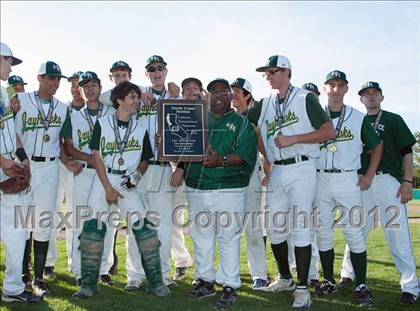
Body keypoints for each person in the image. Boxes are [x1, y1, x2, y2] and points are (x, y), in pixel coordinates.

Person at [249, 55, 336, 310]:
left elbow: (329, 131)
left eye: (272, 71)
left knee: (299, 227)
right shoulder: (265, 103)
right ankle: (285, 277)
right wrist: (266, 156)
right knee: (274, 227)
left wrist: (294, 138)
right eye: (266, 72)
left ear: (286, 72)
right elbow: (249, 125)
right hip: (277, 170)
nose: (268, 76)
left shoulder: (304, 98)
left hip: (302, 166)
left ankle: (302, 288)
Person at [72, 81, 170, 299]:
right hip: (104, 178)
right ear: (119, 100)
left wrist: (136, 176)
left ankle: (155, 282)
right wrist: (107, 188)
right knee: (92, 229)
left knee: (145, 231)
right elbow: (96, 156)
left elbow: (145, 159)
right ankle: (88, 284)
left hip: (127, 180)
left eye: (137, 96)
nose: (136, 101)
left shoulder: (140, 126)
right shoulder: (103, 123)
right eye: (132, 97)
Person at [339, 81, 419, 304]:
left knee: (398, 234)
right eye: (366, 94)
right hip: (363, 181)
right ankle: (348, 274)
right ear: (361, 99)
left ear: (381, 97)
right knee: (356, 230)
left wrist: (407, 181)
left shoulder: (393, 119)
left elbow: (407, 152)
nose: (371, 97)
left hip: (387, 181)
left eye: (375, 93)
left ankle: (410, 287)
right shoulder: (355, 121)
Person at [184, 78, 257, 310]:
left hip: (228, 188)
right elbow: (181, 149)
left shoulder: (241, 123)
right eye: (213, 91)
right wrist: (166, 143)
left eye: (223, 91)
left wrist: (221, 160)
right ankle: (205, 280)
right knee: (201, 236)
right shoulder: (195, 119)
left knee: (228, 237)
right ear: (208, 95)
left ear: (230, 96)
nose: (218, 95)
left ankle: (229, 284)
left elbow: (245, 156)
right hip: (196, 186)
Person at [314, 71, 382, 306]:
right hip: (321, 178)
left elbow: (377, 146)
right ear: (325, 88)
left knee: (354, 231)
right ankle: (329, 280)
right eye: (331, 85)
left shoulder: (356, 116)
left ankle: (361, 284)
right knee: (323, 231)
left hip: (347, 179)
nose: (335, 89)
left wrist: (369, 174)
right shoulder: (314, 114)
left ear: (345, 89)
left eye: (340, 85)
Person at [14, 61, 81, 297]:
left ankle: (39, 278)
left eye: (57, 79)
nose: (55, 83)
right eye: (50, 78)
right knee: (21, 223)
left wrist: (67, 161)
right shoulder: (20, 101)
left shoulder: (62, 108)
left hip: (50, 167)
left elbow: (63, 144)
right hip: (24, 165)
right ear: (40, 77)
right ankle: (22, 275)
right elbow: (9, 131)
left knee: (43, 221)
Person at [125, 55, 180, 290]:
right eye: (151, 69)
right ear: (146, 73)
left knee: (163, 226)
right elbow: (109, 97)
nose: (156, 72)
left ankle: (163, 275)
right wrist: (137, 90)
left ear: (166, 71)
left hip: (163, 168)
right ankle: (135, 276)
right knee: (135, 223)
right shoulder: (137, 96)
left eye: (160, 68)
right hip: (139, 168)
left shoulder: (175, 97)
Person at [62, 71, 116, 287]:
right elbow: (68, 146)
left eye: (94, 85)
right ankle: (79, 270)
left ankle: (103, 269)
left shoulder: (112, 112)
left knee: (108, 222)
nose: (90, 90)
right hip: (84, 172)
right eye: (85, 86)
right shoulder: (74, 116)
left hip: (109, 173)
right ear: (80, 90)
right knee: (80, 222)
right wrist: (90, 158)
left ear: (100, 88)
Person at [0, 42, 40, 303]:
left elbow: (11, 131)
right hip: (3, 168)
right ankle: (13, 288)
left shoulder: (3, 93)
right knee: (15, 231)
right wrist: (2, 161)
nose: (10, 67)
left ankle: (13, 287)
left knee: (17, 231)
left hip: (8, 168)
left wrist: (22, 158)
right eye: (8, 61)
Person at [44, 70, 85, 280]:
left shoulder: (98, 109)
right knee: (50, 215)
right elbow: (56, 139)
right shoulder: (61, 108)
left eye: (79, 84)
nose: (76, 88)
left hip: (83, 170)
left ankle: (74, 264)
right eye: (73, 84)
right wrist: (67, 161)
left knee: (75, 217)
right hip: (61, 167)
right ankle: (48, 263)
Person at [230, 77, 269, 290]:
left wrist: (269, 167)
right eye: (232, 91)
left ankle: (259, 274)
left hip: (250, 176)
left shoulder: (256, 116)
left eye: (238, 91)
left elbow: (263, 146)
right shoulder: (227, 117)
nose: (233, 94)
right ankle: (231, 272)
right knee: (229, 228)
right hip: (229, 180)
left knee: (253, 228)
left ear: (247, 95)